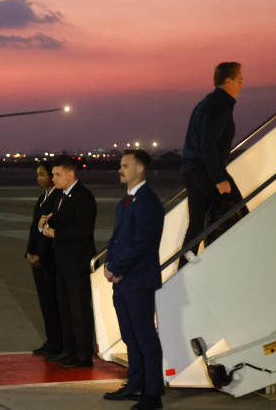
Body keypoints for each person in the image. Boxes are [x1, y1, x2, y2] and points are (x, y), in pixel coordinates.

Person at [103, 149, 165, 410]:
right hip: (123, 280)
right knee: (130, 336)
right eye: (121, 165)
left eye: (125, 165)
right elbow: (117, 238)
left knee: (145, 337)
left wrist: (116, 266)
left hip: (139, 280)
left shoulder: (149, 202)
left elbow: (142, 243)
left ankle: (153, 394)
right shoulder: (125, 202)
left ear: (140, 169)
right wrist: (108, 263)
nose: (120, 169)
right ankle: (135, 384)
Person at [179, 62, 246, 268]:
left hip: (192, 169)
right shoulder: (219, 105)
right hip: (205, 170)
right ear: (228, 81)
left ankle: (184, 268)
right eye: (239, 80)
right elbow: (207, 146)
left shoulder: (209, 103)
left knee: (198, 222)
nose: (242, 84)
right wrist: (219, 179)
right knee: (238, 214)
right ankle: (229, 263)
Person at [39, 155, 96, 369]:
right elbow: (57, 219)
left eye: (57, 174)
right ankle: (69, 350)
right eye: (53, 174)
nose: (53, 178)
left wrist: (55, 234)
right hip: (62, 263)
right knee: (65, 308)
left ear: (70, 174)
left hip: (77, 264)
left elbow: (82, 231)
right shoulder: (62, 196)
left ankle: (83, 355)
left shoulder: (83, 197)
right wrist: (45, 223)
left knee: (79, 310)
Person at [25, 161, 63, 356]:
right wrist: (29, 252)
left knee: (54, 303)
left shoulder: (57, 198)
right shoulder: (42, 198)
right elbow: (34, 229)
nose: (38, 178)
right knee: (45, 303)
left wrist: (40, 254)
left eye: (42, 175)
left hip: (49, 261)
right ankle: (52, 340)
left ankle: (59, 343)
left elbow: (49, 232)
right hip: (38, 260)